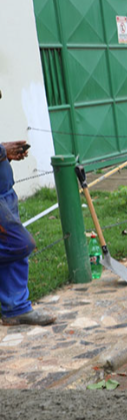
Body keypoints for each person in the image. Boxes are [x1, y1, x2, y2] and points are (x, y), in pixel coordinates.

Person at [1, 139, 55, 326]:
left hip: (4, 192)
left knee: (13, 250)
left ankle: (16, 309)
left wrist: (4, 153)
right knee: (20, 243)